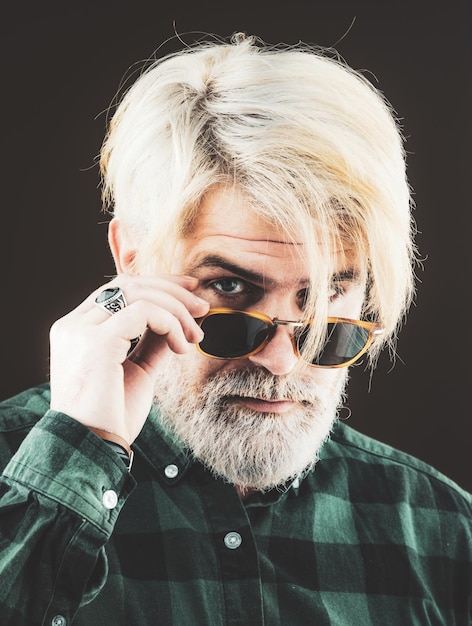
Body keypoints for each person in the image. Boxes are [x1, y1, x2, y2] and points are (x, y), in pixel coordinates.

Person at [0, 32, 470, 626]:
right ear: (133, 260)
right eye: (231, 288)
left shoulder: (443, 532)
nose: (281, 360)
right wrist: (78, 457)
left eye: (324, 296)